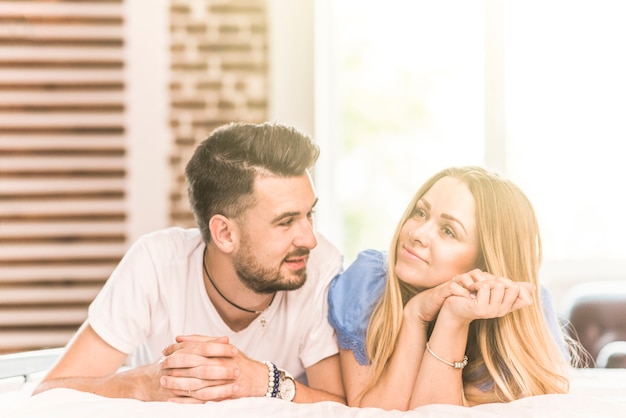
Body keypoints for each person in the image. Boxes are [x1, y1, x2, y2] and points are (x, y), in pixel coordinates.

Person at [33, 121, 345, 405]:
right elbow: (50, 394)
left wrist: (267, 382)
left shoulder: (318, 267)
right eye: (286, 222)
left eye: (309, 214)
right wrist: (146, 384)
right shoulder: (156, 264)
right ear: (224, 233)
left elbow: (341, 407)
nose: (309, 239)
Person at [328, 166, 578, 410]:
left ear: (486, 263)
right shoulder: (370, 281)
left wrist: (454, 318)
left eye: (448, 231)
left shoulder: (521, 309)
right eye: (421, 213)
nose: (417, 233)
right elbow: (376, 412)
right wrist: (414, 315)